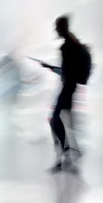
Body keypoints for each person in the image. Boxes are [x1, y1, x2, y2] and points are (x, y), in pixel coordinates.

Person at [40, 15, 85, 172]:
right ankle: (69, 153)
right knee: (64, 122)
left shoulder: (67, 48)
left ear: (61, 28)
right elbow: (68, 72)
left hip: (67, 90)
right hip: (70, 89)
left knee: (54, 121)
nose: (55, 30)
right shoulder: (73, 45)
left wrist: (53, 69)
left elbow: (66, 73)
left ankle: (66, 153)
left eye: (56, 27)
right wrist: (52, 68)